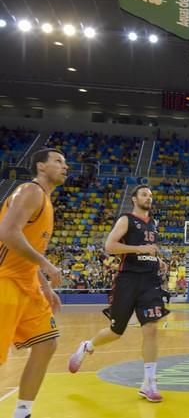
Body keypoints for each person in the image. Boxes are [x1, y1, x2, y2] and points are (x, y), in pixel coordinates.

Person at [68, 185, 169, 402]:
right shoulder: (126, 220)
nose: (148, 198)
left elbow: (147, 249)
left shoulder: (153, 223)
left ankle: (149, 383)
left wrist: (157, 260)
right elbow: (110, 246)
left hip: (150, 282)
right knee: (116, 331)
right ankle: (88, 346)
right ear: (134, 199)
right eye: (144, 194)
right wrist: (140, 250)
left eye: (151, 195)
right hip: (128, 281)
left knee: (151, 329)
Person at [0, 148, 66, 418]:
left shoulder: (46, 201)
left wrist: (45, 285)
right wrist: (47, 265)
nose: (65, 166)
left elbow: (25, 246)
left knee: (47, 343)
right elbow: (7, 233)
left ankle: (22, 412)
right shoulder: (31, 191)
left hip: (27, 285)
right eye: (58, 161)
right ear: (41, 166)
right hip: (4, 282)